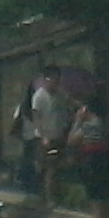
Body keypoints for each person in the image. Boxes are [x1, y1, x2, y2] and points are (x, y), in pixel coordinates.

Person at [67, 89, 109, 218]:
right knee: (103, 202)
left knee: (96, 204)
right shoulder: (103, 123)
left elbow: (71, 140)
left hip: (93, 161)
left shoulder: (90, 124)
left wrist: (77, 121)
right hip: (104, 159)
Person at [31, 65, 74, 207]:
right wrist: (44, 136)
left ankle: (53, 194)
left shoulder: (61, 94)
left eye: (58, 79)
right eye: (53, 79)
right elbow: (37, 118)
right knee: (50, 167)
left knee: (58, 167)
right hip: (45, 138)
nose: (56, 82)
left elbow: (67, 107)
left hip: (59, 135)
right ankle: (49, 198)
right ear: (46, 79)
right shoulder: (39, 96)